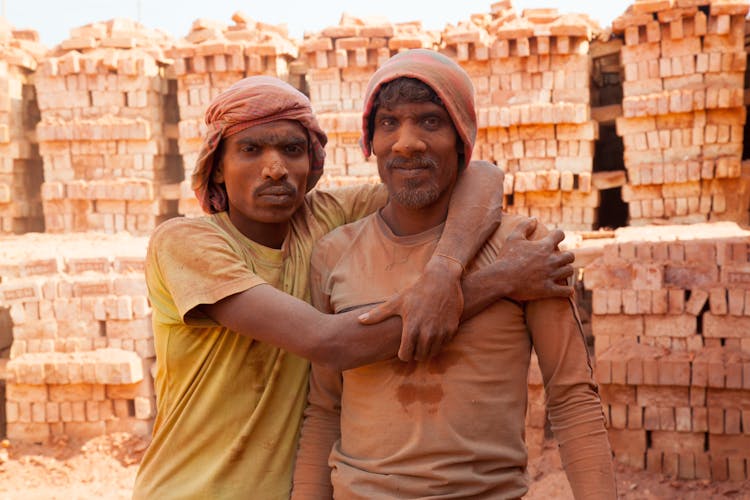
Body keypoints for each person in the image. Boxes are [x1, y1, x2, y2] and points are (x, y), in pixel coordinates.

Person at [132, 75, 574, 499]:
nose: (274, 169)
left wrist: (444, 269)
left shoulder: (320, 220)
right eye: (250, 149)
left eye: (291, 150)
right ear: (217, 167)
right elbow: (330, 343)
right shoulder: (186, 243)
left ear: (311, 163)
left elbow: (477, 176)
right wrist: (498, 281)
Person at [292, 49, 616, 499]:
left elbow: (572, 397)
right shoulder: (334, 253)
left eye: (430, 121)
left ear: (462, 138)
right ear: (371, 142)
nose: (407, 142)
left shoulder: (522, 247)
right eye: (388, 123)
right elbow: (325, 408)